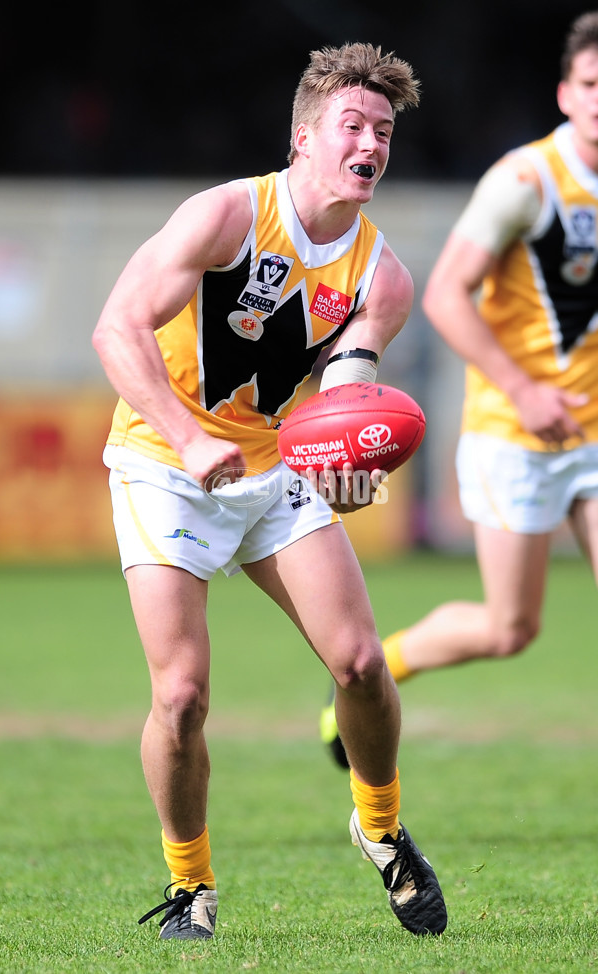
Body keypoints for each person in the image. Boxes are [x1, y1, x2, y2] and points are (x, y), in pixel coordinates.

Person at [92, 42, 447, 941]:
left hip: (270, 468)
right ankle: (190, 886)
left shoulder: (383, 277)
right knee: (181, 697)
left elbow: (345, 400)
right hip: (161, 464)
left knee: (362, 663)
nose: (370, 144)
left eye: (384, 132)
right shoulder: (225, 216)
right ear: (304, 138)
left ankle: (380, 828)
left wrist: (350, 464)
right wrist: (185, 435)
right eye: (352, 126)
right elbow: (117, 327)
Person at [321, 12, 598, 770]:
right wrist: (525, 388)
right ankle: (379, 671)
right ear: (565, 94)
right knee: (510, 629)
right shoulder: (525, 181)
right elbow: (445, 294)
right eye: (591, 84)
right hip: (518, 430)